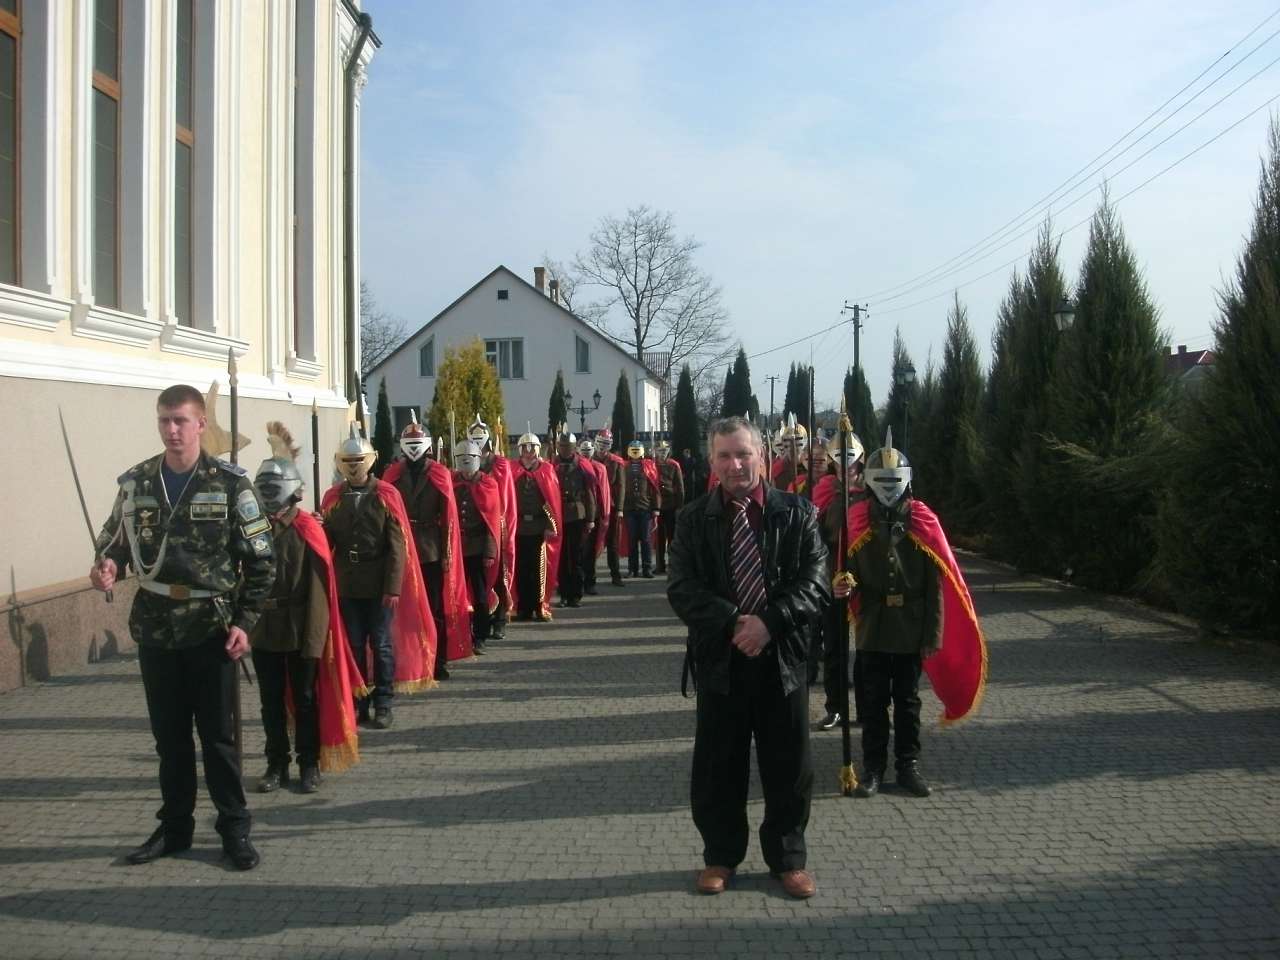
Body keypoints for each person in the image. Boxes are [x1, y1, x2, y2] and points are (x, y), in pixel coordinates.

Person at [89, 383, 274, 870]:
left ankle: (234, 829)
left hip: (211, 630)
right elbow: (114, 542)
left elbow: (262, 560)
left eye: (180, 421)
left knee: (218, 740)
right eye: (164, 421)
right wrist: (107, 566)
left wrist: (245, 622)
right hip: (156, 630)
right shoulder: (137, 484)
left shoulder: (230, 484)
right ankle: (175, 829)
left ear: (200, 425)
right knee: (169, 741)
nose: (171, 430)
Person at [667, 416, 829, 900]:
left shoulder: (798, 513)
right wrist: (735, 622)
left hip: (783, 660)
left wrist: (769, 623)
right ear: (712, 461)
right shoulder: (692, 519)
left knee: (789, 767)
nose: (735, 465)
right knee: (718, 767)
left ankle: (788, 859)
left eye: (743, 453)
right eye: (724, 455)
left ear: (762, 455)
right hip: (722, 660)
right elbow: (682, 588)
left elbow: (815, 581)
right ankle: (720, 856)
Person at [249, 423, 363, 795]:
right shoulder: (252, 530)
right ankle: (276, 763)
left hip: (300, 629)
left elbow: (318, 591)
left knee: (306, 700)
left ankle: (308, 763)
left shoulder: (306, 529)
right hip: (263, 627)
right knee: (270, 703)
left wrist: (315, 640)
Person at [321, 424, 435, 730]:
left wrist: (393, 587)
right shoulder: (333, 498)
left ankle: (383, 701)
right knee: (355, 645)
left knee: (381, 643)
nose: (354, 466)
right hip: (348, 583)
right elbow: (327, 542)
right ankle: (360, 702)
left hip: (379, 582)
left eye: (359, 460)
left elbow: (397, 546)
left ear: (370, 460)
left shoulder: (386, 494)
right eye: (348, 461)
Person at [382, 414, 471, 674]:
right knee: (405, 610)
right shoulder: (392, 474)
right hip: (401, 549)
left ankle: (437, 660)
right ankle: (408, 660)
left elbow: (448, 517)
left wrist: (446, 553)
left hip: (430, 550)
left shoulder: (439, 474)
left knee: (434, 608)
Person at [811, 431, 867, 732]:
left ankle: (868, 707)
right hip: (834, 577)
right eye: (840, 459)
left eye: (851, 459)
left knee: (868, 650)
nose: (847, 465)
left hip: (867, 579)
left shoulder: (873, 491)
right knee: (834, 647)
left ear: (861, 459)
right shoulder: (825, 490)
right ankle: (835, 707)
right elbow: (815, 540)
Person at [452, 440, 502, 650]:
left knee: (480, 595)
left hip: (478, 547)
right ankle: (462, 634)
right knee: (457, 594)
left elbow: (492, 521)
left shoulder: (487, 484)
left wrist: (490, 552)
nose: (466, 464)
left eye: (470, 458)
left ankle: (481, 634)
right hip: (457, 547)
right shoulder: (451, 482)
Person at [510, 427, 562, 621]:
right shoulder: (513, 470)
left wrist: (550, 525)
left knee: (539, 570)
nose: (529, 452)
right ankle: (522, 608)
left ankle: (540, 606)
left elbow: (552, 501)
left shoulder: (547, 470)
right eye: (525, 448)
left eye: (532, 448)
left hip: (539, 529)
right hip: (519, 528)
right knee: (521, 570)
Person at [473, 415, 515, 640]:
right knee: (478, 580)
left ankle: (499, 619)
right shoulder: (467, 462)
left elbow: (505, 498)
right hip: (474, 528)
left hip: (497, 525)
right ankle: (482, 621)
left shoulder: (500, 466)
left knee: (498, 576)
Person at [553, 427, 597, 608]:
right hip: (558, 514)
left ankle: (576, 595)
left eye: (567, 446)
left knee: (577, 556)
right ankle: (563, 594)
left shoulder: (582, 465)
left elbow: (590, 493)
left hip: (578, 514)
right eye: (562, 446)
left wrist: (591, 518)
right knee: (562, 558)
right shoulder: (552, 465)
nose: (564, 449)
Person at [593, 427, 627, 587]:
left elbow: (621, 486)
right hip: (594, 507)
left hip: (611, 507)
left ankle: (615, 575)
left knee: (612, 542)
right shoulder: (588, 459)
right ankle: (590, 576)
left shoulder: (616, 462)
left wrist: (619, 509)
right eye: (600, 442)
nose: (602, 446)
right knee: (591, 543)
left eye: (605, 443)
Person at [621, 440, 661, 578]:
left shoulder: (649, 466)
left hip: (645, 508)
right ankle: (633, 569)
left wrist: (656, 507)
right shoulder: (624, 467)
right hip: (629, 508)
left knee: (646, 539)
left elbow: (655, 487)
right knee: (631, 540)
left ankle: (647, 568)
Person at [579, 437, 611, 595]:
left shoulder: (600, 468)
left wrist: (603, 513)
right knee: (577, 550)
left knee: (590, 551)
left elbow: (603, 492)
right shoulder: (574, 466)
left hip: (594, 514)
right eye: (583, 450)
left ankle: (590, 582)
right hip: (577, 514)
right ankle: (576, 583)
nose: (586, 453)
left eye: (588, 450)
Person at [653, 440, 685, 575]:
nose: (662, 453)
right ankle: (660, 565)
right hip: (656, 505)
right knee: (659, 538)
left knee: (672, 537)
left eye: (664, 451)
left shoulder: (674, 465)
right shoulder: (652, 464)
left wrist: (680, 506)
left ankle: (673, 565)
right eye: (659, 451)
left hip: (671, 505)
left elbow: (680, 487)